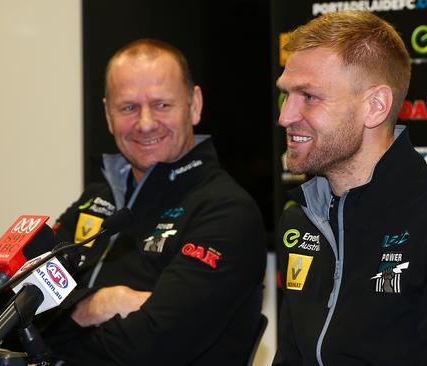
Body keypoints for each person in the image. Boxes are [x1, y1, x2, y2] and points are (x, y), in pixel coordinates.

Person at [273, 11, 427, 365]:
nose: (285, 115)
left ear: (375, 107)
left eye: (309, 96)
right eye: (286, 95)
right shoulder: (302, 219)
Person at [45, 39, 266, 365]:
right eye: (128, 107)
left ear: (194, 105)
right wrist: (100, 303)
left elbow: (149, 348)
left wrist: (51, 326)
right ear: (108, 114)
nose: (145, 123)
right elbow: (10, 310)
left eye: (162, 105)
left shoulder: (227, 211)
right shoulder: (97, 197)